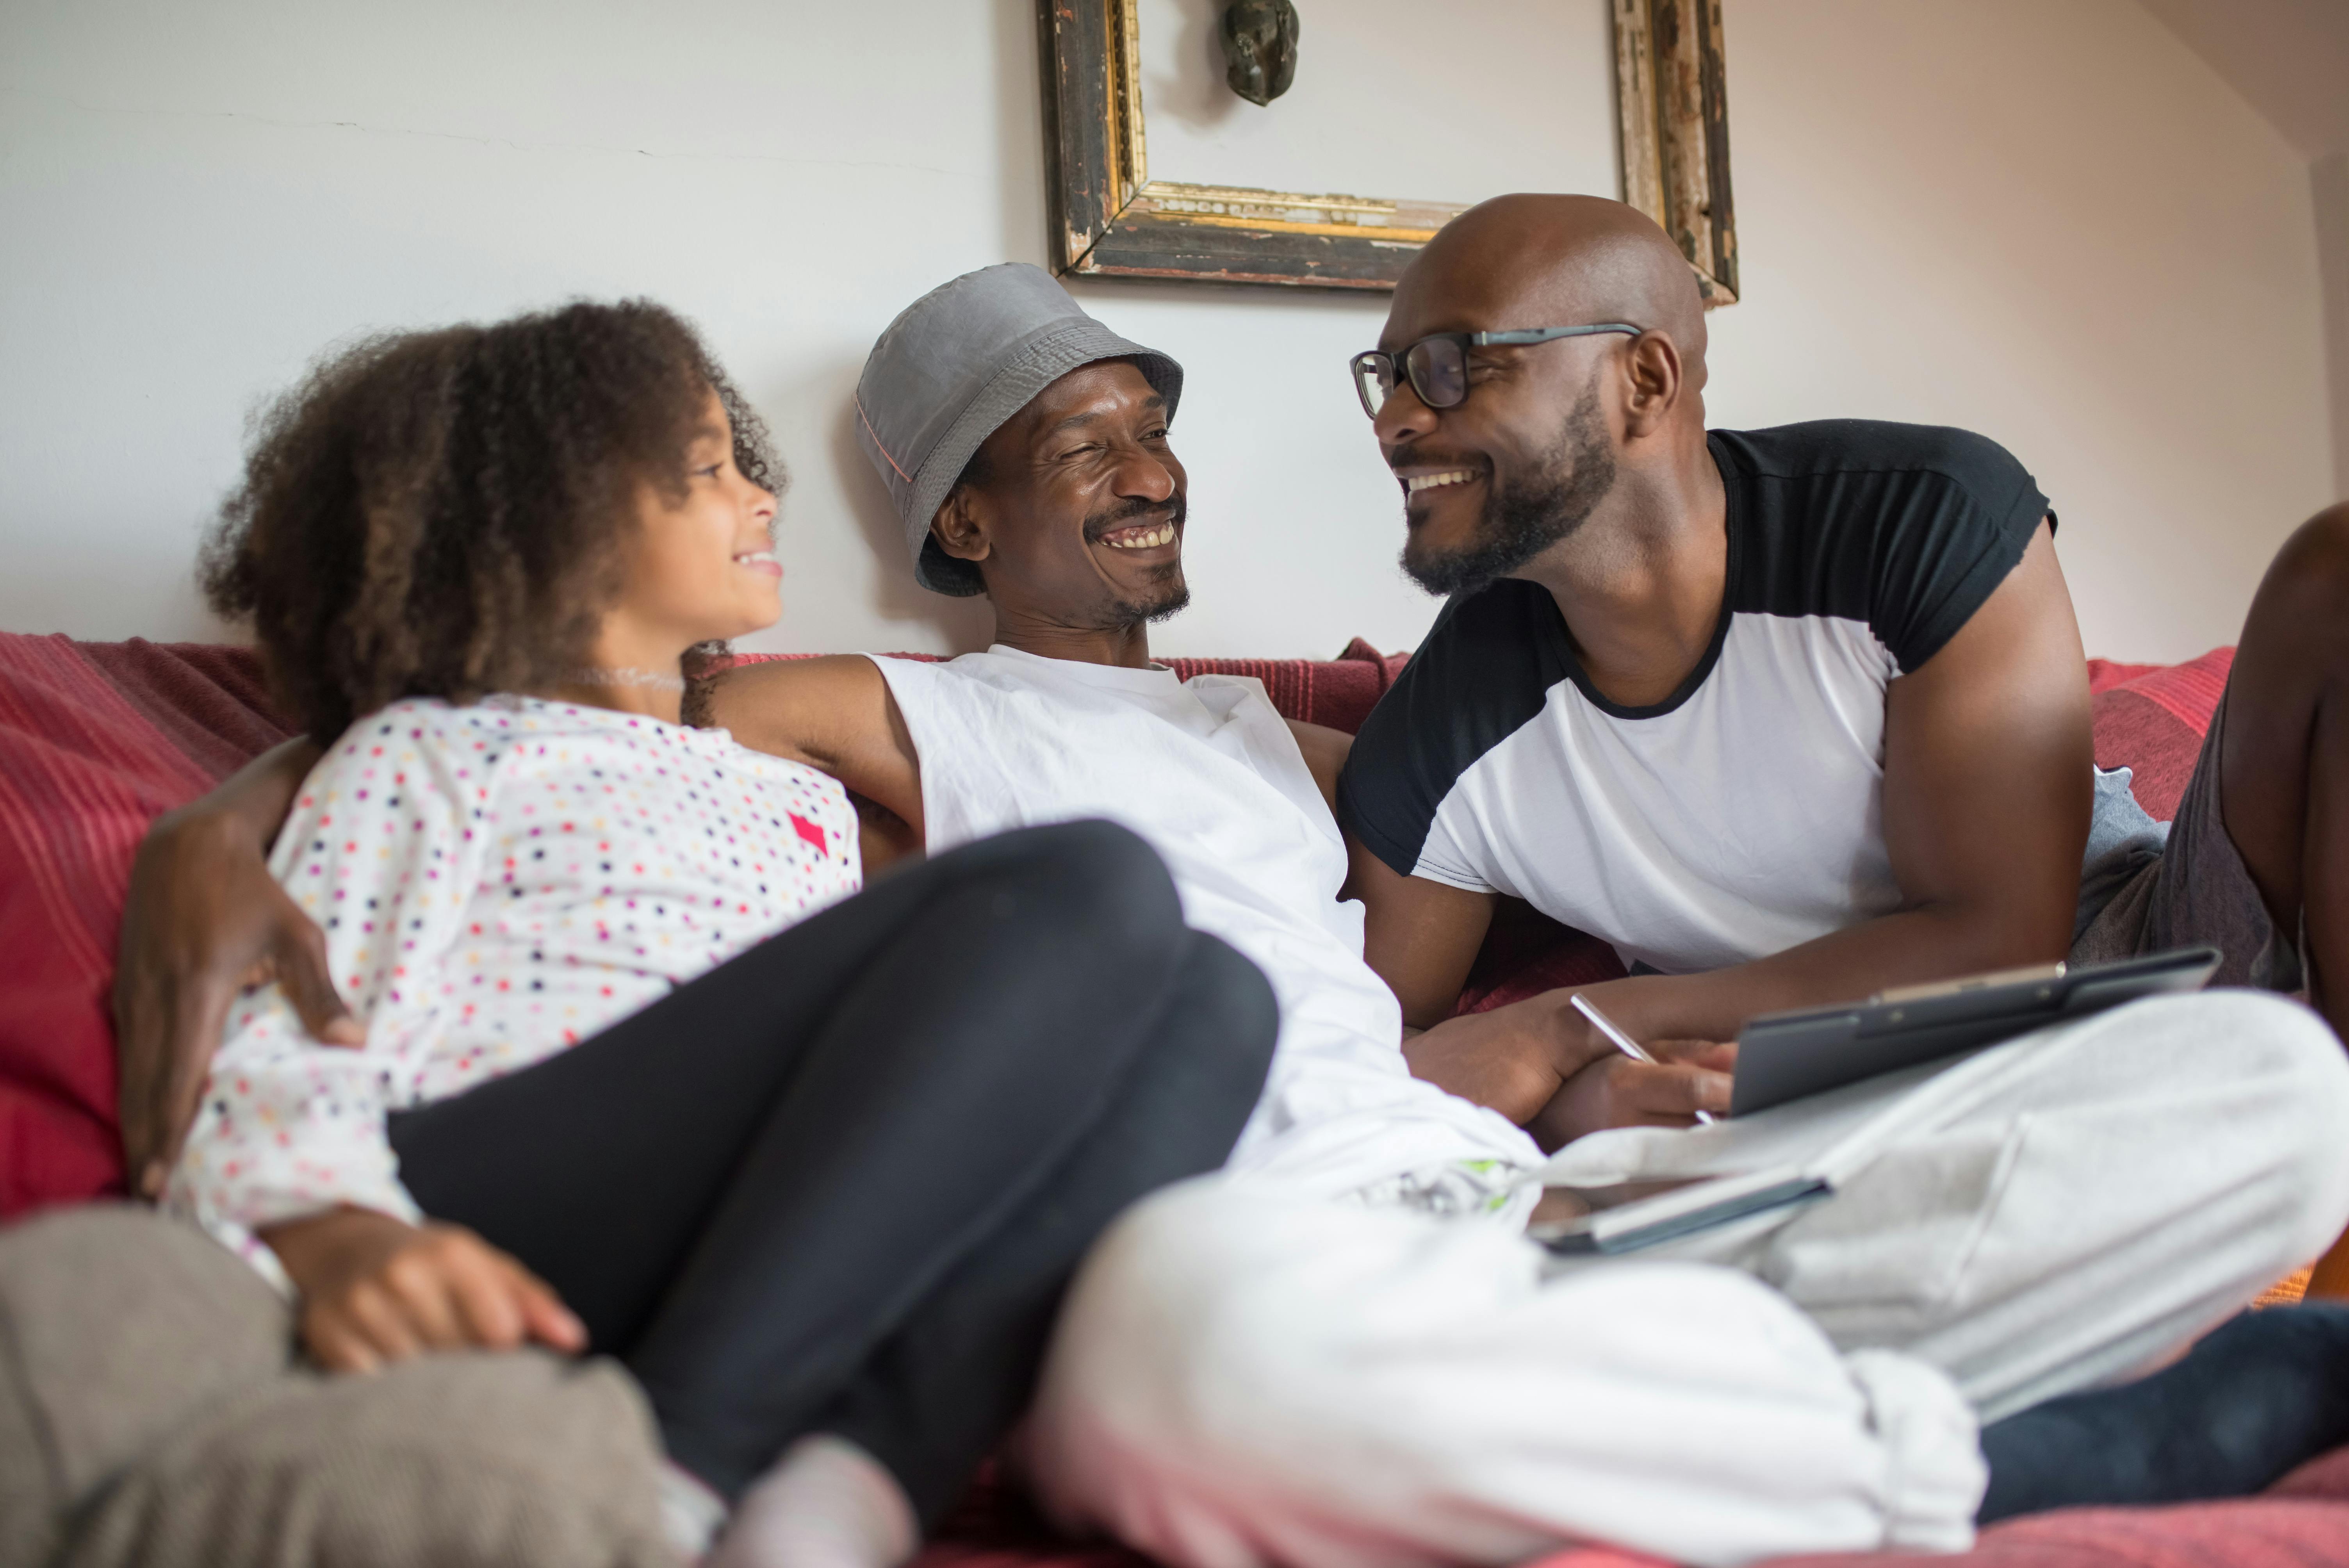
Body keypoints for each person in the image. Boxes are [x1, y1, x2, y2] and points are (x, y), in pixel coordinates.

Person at [116, 265, 2349, 1563]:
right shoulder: (836, 716)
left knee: (2272, 1088)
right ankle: (1942, 1439)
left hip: (1529, 1207)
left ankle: (1758, 1374)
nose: (1146, 467)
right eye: (1070, 446)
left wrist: (1581, 1053)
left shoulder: (1341, 752)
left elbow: (1384, 997)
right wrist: (254, 790)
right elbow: (516, 714)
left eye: (1151, 429)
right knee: (1195, 1259)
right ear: (961, 518)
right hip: (1239, 1265)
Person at [149, 299, 1277, 1568]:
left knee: (1222, 995)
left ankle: (851, 1486)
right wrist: (329, 1225)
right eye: (710, 471)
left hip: (724, 1251)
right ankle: (677, 1472)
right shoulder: (431, 753)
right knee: (1097, 879)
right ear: (548, 526)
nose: (762, 496)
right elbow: (274, 1040)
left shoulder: (789, 791)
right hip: (471, 1212)